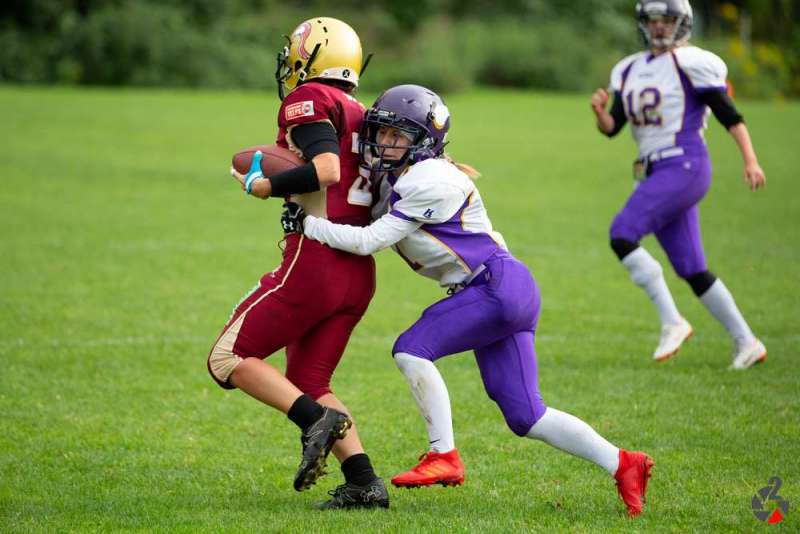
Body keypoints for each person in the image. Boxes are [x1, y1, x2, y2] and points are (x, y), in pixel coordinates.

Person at [281, 84, 654, 518]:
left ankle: (444, 454)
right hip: (504, 288)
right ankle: (623, 463)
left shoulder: (428, 179)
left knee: (410, 349)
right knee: (526, 415)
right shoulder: (406, 175)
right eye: (382, 133)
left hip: (493, 287)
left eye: (397, 137)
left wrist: (307, 223)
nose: (384, 143)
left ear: (425, 143)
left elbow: (368, 241)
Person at [208, 17, 389, 509]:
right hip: (359, 269)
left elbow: (326, 170)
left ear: (312, 56)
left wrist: (268, 186)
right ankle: (364, 482)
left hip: (316, 261)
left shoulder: (308, 98)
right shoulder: (366, 112)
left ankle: (313, 420)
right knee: (311, 380)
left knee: (226, 359)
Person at [590, 0, 767, 369]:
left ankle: (672, 320)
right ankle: (746, 341)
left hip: (685, 163)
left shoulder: (690, 62)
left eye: (667, 20)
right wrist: (601, 114)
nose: (659, 27)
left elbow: (729, 115)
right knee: (691, 267)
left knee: (622, 233)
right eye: (653, 20)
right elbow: (614, 128)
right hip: (658, 170)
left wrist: (750, 160)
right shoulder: (630, 68)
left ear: (682, 23)